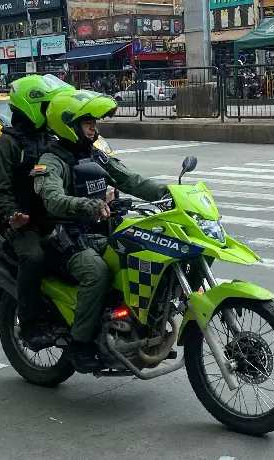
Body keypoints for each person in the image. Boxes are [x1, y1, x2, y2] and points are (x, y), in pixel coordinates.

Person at [31, 89, 169, 373]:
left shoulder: (96, 155)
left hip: (101, 232)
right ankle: (80, 344)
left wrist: (171, 191)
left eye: (94, 122)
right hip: (66, 238)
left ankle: (137, 328)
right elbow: (52, 197)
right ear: (68, 125)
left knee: (142, 254)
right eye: (87, 123)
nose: (94, 127)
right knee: (97, 272)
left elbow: (130, 179)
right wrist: (87, 205)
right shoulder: (52, 160)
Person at [0, 74, 75, 351]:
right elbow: (1, 189)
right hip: (22, 223)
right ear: (31, 106)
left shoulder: (52, 137)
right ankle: (29, 324)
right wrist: (13, 215)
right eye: (46, 106)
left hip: (54, 216)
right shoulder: (7, 144)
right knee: (34, 256)